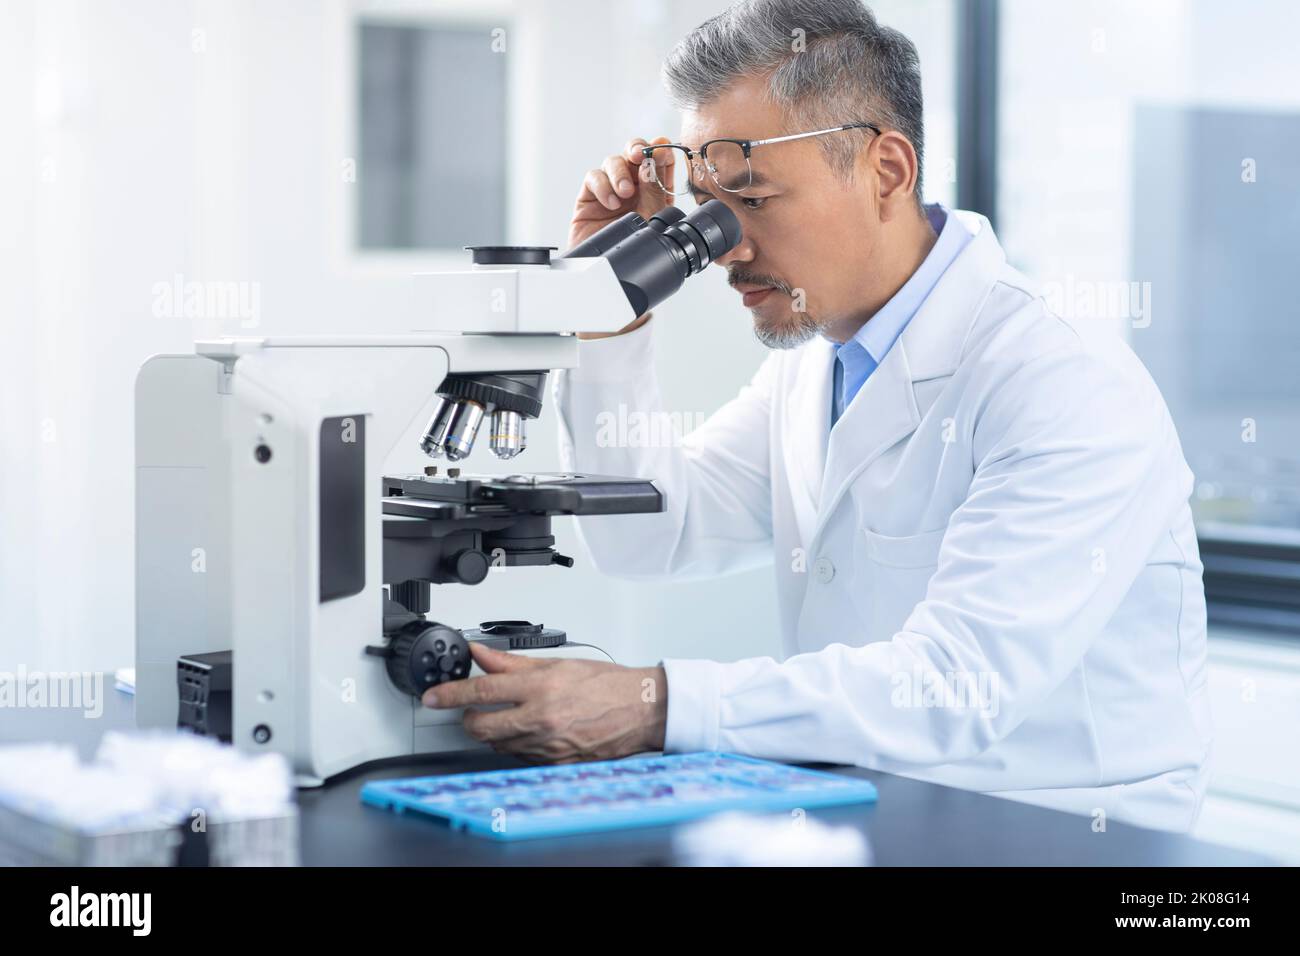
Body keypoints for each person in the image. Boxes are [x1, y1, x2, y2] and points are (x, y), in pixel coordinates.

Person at [423, 0, 1211, 833]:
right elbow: (647, 537)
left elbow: (953, 688)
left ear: (886, 170)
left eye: (752, 198)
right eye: (705, 208)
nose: (723, 246)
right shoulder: (815, 367)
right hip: (875, 816)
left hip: (1072, 841)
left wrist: (657, 702)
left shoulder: (1061, 381)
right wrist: (609, 312)